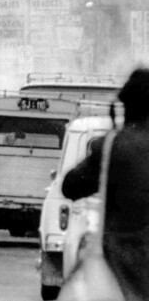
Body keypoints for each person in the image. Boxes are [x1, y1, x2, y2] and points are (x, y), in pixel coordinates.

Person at [62, 68, 149, 301]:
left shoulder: (114, 147)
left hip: (121, 271)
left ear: (125, 106)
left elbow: (70, 186)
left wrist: (113, 132)